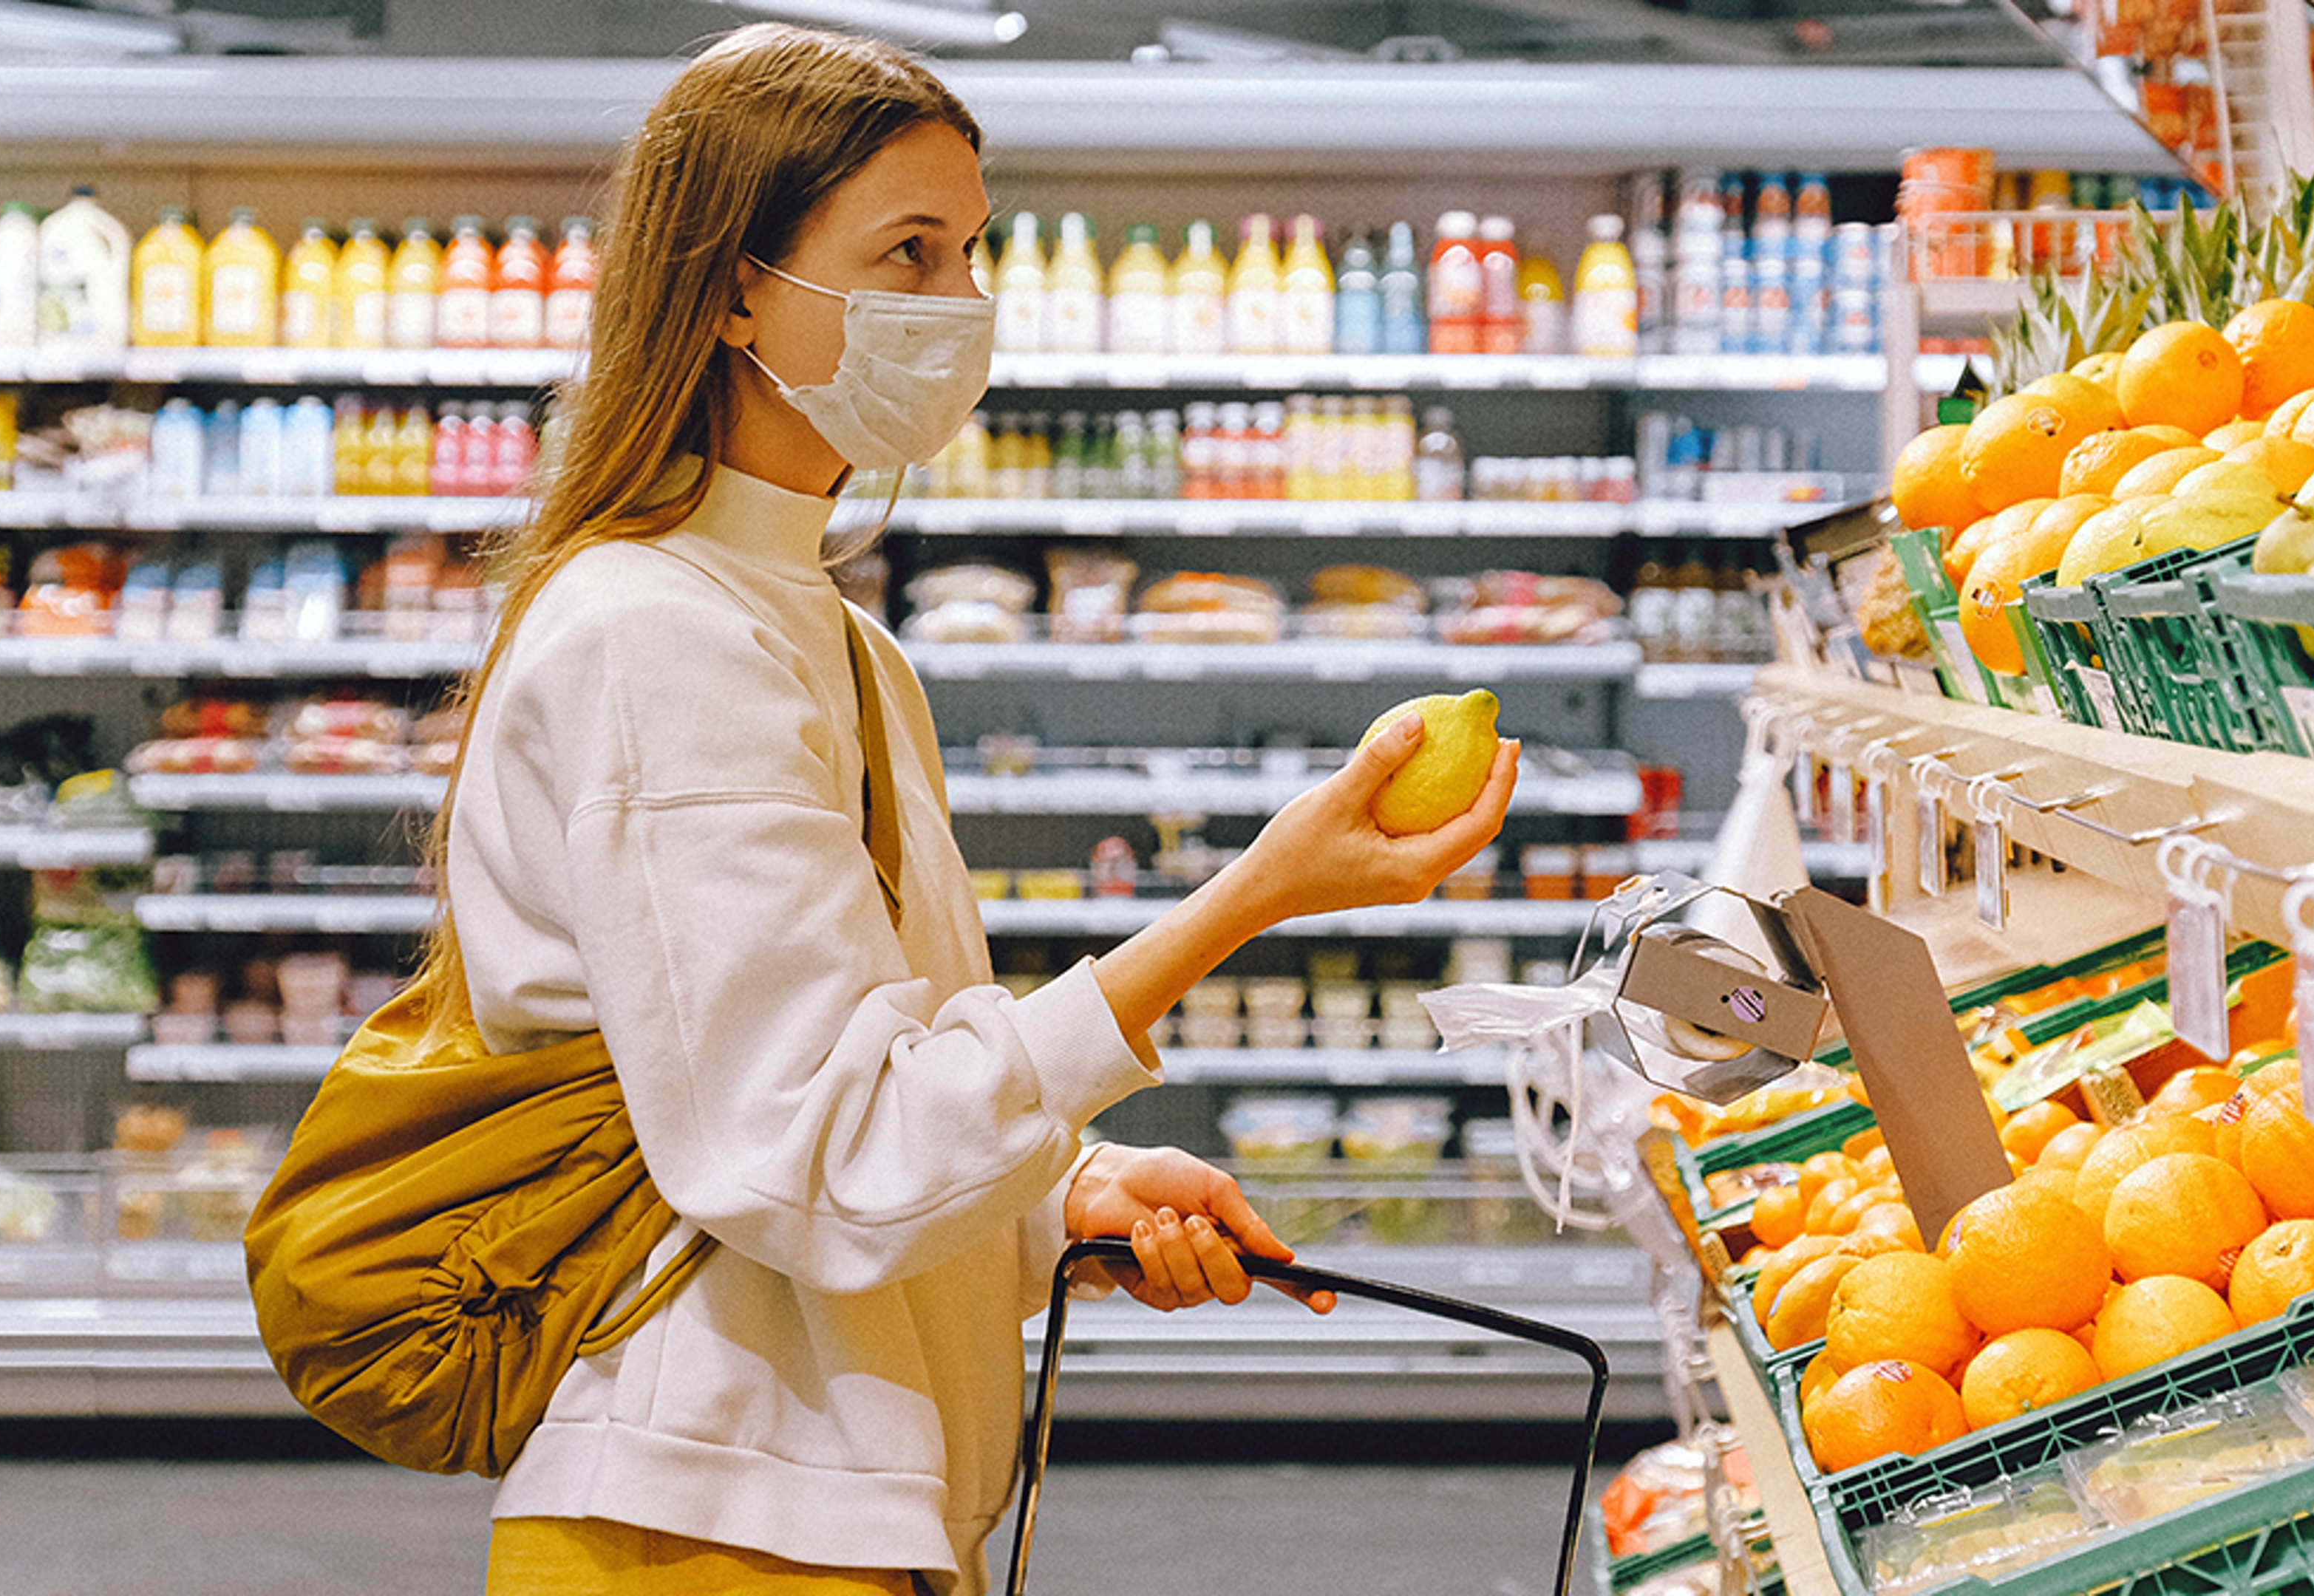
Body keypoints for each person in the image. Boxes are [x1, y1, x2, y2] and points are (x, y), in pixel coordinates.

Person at [432, 24, 1519, 1596]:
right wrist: (1247, 899)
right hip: (707, 1519)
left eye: (973, 252)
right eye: (910, 253)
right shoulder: (654, 635)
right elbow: (824, 1153)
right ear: (734, 287)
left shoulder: (837, 642)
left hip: (849, 1505)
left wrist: (1054, 1193)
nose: (961, 307)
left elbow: (871, 1075)